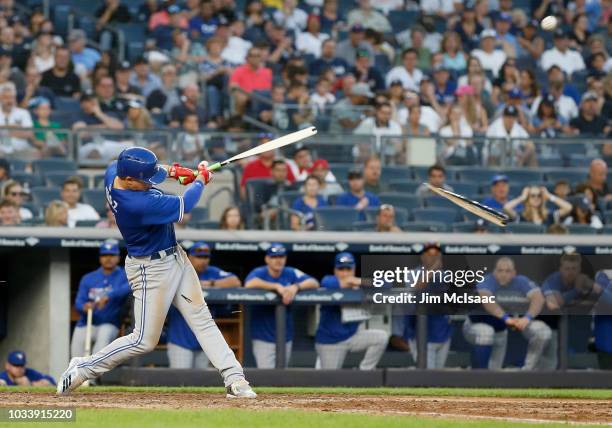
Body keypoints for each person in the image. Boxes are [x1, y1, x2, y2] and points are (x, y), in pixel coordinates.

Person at [56, 147, 257, 398]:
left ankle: (234, 378)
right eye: (145, 180)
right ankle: (83, 367)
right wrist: (200, 179)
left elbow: (154, 173)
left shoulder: (113, 172)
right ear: (129, 180)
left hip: (176, 257)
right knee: (143, 340)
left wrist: (175, 172)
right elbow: (186, 203)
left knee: (201, 318)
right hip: (150, 268)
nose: (149, 183)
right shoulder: (136, 204)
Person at [463, 257, 552, 370]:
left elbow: (538, 298)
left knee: (543, 332)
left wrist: (527, 318)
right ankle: (478, 375)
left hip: (501, 330)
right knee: (485, 333)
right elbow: (486, 299)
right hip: (475, 325)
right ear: (494, 271)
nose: (503, 274)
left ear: (514, 273)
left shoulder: (520, 281)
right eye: (500, 270)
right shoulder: (488, 280)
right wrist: (506, 318)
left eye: (507, 271)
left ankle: (527, 372)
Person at [166, 241, 241, 369]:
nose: (203, 261)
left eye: (206, 257)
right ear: (189, 257)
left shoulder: (212, 273)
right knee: (179, 383)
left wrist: (211, 284)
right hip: (180, 340)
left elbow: (235, 281)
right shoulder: (178, 270)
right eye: (199, 257)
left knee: (200, 384)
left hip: (205, 342)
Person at [245, 243, 319, 368]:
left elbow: (314, 282)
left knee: (282, 375)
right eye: (274, 257)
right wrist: (276, 286)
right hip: (263, 337)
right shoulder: (260, 272)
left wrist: (296, 287)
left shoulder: (290, 272)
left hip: (286, 336)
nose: (278, 260)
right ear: (267, 259)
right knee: (266, 376)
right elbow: (249, 283)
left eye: (281, 256)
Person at [315, 252, 388, 369]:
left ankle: (364, 371)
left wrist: (358, 282)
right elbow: (327, 283)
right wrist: (353, 282)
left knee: (381, 337)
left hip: (353, 337)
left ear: (354, 269)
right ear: (335, 270)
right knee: (328, 382)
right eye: (341, 269)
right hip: (331, 342)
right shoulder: (329, 281)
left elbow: (386, 284)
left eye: (348, 269)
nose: (345, 273)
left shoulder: (359, 284)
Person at [390, 243, 452, 369]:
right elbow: (416, 291)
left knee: (438, 374)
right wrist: (432, 271)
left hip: (442, 331)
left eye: (436, 255)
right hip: (421, 332)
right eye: (429, 255)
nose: (433, 258)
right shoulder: (413, 273)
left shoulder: (446, 275)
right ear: (422, 257)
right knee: (428, 375)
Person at [71, 241, 130, 358]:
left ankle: (92, 376)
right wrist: (85, 307)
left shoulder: (125, 275)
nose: (108, 258)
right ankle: (77, 376)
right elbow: (79, 301)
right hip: (87, 323)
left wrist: (109, 296)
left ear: (118, 257)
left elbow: (130, 286)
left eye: (112, 255)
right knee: (76, 356)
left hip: (109, 323)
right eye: (105, 255)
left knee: (100, 348)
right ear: (100, 258)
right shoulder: (89, 278)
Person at [541, 254, 600, 370]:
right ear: (560, 269)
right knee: (552, 365)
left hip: (577, 327)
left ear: (579, 269)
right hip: (551, 326)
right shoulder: (553, 279)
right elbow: (554, 303)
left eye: (574, 268)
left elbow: (603, 293)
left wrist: (592, 285)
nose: (571, 272)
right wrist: (576, 290)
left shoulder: (583, 279)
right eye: (567, 269)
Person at [229, 46, 273, 115]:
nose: (255, 58)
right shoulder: (239, 70)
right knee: (241, 98)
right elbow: (233, 87)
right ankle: (239, 122)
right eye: (252, 56)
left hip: (263, 99)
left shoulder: (267, 72)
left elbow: (269, 89)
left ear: (261, 58)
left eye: (258, 56)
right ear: (247, 58)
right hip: (247, 100)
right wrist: (247, 95)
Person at [504, 185, 572, 226]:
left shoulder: (550, 214)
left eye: (539, 196)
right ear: (528, 198)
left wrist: (549, 196)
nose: (536, 198)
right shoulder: (521, 215)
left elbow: (568, 207)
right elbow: (506, 208)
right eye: (532, 196)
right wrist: (522, 197)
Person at [0, 83, 34, 156]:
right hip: (1, 150)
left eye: (12, 97)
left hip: (21, 150)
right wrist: (15, 127)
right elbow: (23, 131)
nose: (9, 100)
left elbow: (29, 134)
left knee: (35, 153)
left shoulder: (23, 113)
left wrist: (4, 131)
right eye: (6, 97)